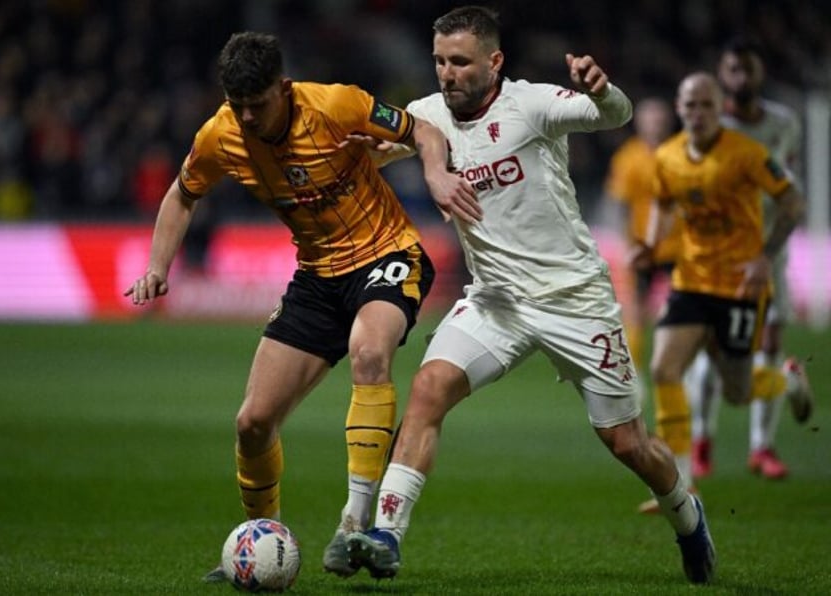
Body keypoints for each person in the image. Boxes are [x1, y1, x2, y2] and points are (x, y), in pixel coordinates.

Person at [340, 6, 716, 585]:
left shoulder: (533, 104)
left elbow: (614, 114)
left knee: (625, 441)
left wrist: (604, 88)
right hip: (496, 302)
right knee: (428, 389)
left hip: (575, 300)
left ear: (494, 62)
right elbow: (379, 148)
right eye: (439, 61)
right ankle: (386, 533)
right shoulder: (427, 115)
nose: (447, 73)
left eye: (461, 62)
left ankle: (687, 516)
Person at [123, 31, 482, 581]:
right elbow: (182, 194)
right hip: (317, 277)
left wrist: (434, 173)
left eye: (258, 104)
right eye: (236, 105)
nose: (246, 117)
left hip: (388, 254)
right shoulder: (221, 135)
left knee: (369, 355)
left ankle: (353, 525)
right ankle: (258, 539)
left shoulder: (336, 104)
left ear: (284, 88)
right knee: (252, 422)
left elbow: (425, 130)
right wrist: (156, 266)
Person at [630, 72, 806, 514]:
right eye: (690, 106)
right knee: (665, 369)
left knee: (737, 392)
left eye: (707, 105)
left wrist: (766, 256)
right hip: (691, 281)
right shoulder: (667, 157)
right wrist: (651, 245)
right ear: (679, 108)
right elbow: (665, 203)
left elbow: (791, 202)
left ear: (719, 108)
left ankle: (785, 380)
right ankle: (680, 482)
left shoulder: (747, 154)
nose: (698, 114)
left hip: (740, 286)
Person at [688, 36, 814, 481]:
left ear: (760, 73)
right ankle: (702, 441)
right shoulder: (709, 126)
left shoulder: (784, 123)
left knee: (770, 343)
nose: (741, 77)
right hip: (719, 255)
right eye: (733, 69)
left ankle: (762, 448)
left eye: (748, 69)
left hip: (767, 253)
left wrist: (771, 247)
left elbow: (787, 187)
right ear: (722, 75)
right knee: (712, 345)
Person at [603, 97, 678, 368]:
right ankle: (631, 370)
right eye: (650, 120)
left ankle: (680, 364)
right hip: (641, 247)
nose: (655, 125)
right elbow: (619, 204)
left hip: (677, 247)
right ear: (639, 123)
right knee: (636, 309)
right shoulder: (628, 157)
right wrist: (625, 244)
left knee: (685, 309)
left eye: (659, 120)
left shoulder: (681, 152)